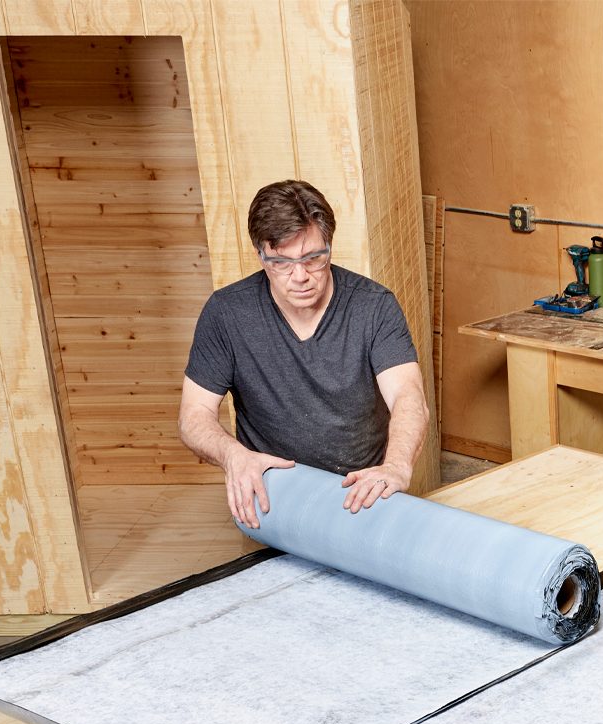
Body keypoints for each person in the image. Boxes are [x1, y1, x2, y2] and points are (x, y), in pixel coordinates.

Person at [178, 180, 429, 526]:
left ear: (329, 246)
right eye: (281, 263)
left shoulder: (374, 306)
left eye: (313, 258)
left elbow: (408, 395)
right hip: (275, 496)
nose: (300, 276)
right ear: (261, 256)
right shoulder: (226, 313)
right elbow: (193, 415)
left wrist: (396, 467)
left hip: (360, 492)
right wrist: (234, 456)